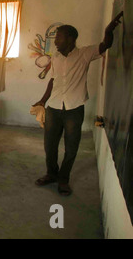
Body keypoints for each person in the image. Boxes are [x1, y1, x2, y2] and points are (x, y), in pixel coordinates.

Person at [33, 13, 123, 196]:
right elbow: (53, 80)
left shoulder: (85, 53)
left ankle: (63, 179)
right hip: (54, 108)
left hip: (74, 109)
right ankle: (51, 174)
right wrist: (43, 100)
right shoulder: (56, 57)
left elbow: (105, 45)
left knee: (71, 147)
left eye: (59, 36)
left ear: (71, 38)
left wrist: (108, 31)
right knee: (49, 146)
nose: (56, 40)